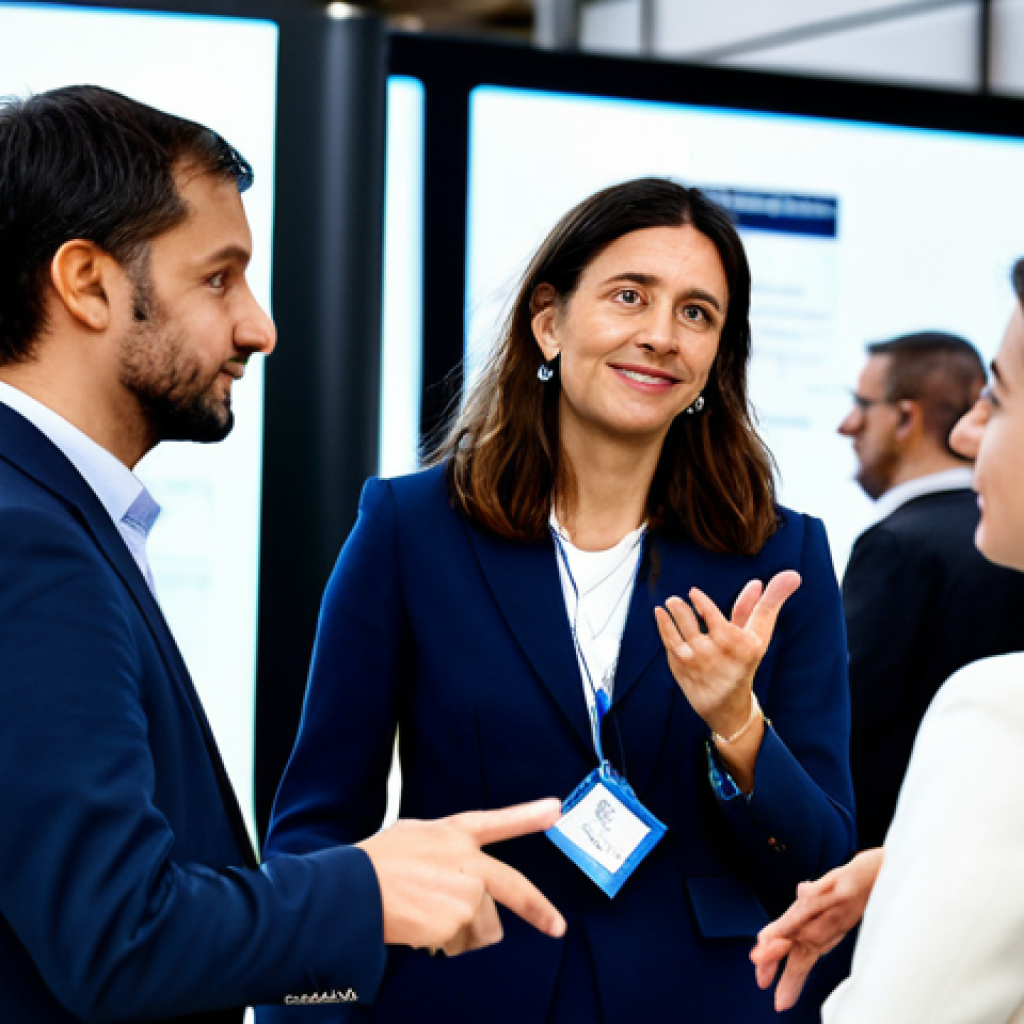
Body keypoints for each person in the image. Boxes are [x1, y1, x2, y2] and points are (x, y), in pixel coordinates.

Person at [0, 84, 567, 1024]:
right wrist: (368, 887)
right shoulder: (30, 542)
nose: (258, 327)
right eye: (219, 278)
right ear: (87, 282)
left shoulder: (50, 516)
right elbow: (117, 940)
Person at [258, 177, 856, 1024]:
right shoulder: (410, 531)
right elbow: (320, 827)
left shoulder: (781, 556)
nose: (659, 336)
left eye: (697, 314)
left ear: (719, 359)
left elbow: (817, 866)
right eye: (628, 296)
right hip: (460, 994)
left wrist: (738, 727)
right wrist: (305, 1016)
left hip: (702, 1004)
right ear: (549, 320)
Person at [751, 259, 1024, 1022]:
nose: (971, 430)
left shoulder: (996, 703)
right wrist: (902, 864)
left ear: (905, 417)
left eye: (998, 400)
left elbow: (847, 732)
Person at [838, 332, 1024, 848]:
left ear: (905, 418)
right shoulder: (996, 536)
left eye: (860, 405)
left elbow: (849, 721)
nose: (845, 424)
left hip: (895, 846)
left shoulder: (896, 546)